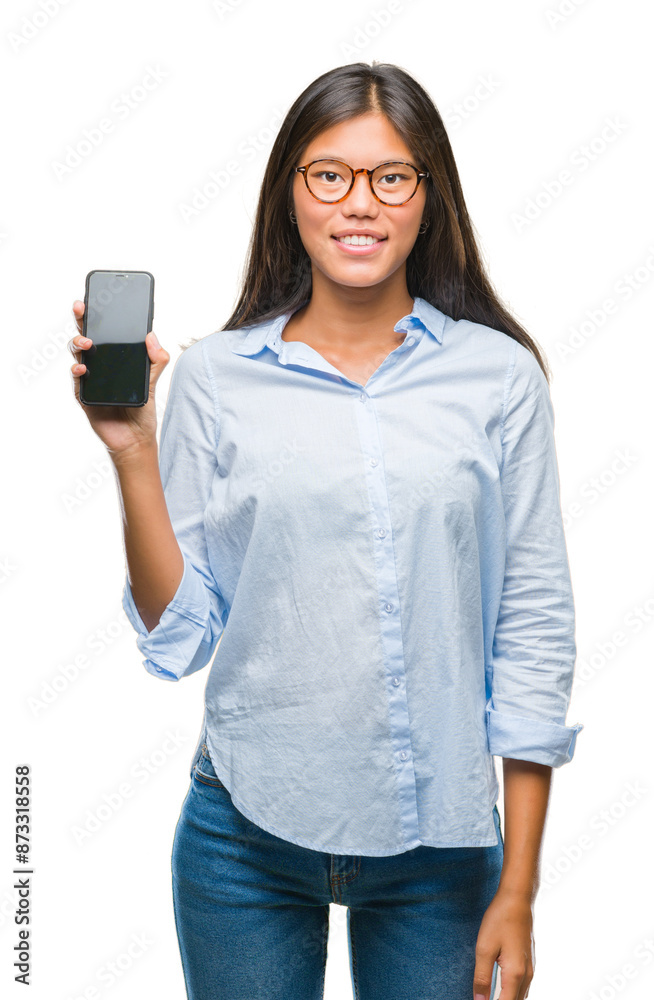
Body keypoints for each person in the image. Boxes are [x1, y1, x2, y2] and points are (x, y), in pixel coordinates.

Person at [69, 61, 583, 1000]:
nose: (361, 203)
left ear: (429, 196)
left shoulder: (498, 379)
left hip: (441, 848)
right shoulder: (217, 378)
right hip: (244, 837)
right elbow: (179, 636)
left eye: (392, 176)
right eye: (329, 173)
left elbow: (534, 628)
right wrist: (133, 450)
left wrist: (520, 885)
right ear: (289, 195)